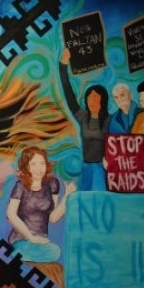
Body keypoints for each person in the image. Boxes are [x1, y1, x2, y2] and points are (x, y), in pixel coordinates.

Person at [59, 48, 110, 191]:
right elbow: (68, 92)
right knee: (86, 200)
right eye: (88, 97)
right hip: (86, 167)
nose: (91, 101)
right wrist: (63, 65)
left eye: (95, 97)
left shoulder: (110, 119)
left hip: (104, 167)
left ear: (103, 100)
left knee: (101, 201)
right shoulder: (83, 116)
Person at [5, 146, 66, 263]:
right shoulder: (20, 186)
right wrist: (31, 237)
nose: (39, 168)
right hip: (21, 239)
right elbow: (10, 214)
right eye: (33, 164)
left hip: (42, 242)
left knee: (55, 251)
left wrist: (67, 197)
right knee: (21, 251)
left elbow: (52, 218)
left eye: (42, 163)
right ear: (26, 167)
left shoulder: (53, 183)